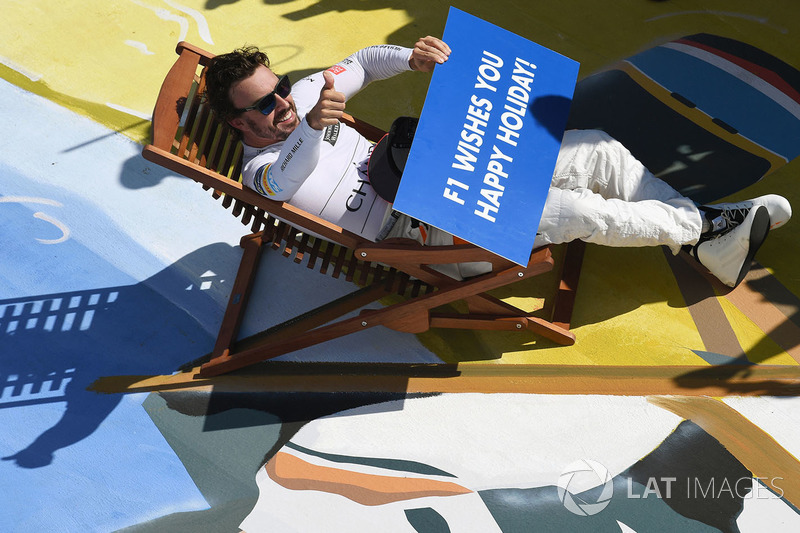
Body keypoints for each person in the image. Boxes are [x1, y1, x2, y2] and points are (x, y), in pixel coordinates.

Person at [204, 36, 791, 288]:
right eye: (265, 104)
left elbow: (359, 62)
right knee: (572, 210)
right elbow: (284, 181)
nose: (283, 102)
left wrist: (411, 57)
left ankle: (705, 236)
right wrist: (311, 128)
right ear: (238, 123)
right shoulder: (258, 173)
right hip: (421, 238)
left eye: (280, 87)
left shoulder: (304, 97)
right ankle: (706, 229)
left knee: (595, 147)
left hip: (445, 177)